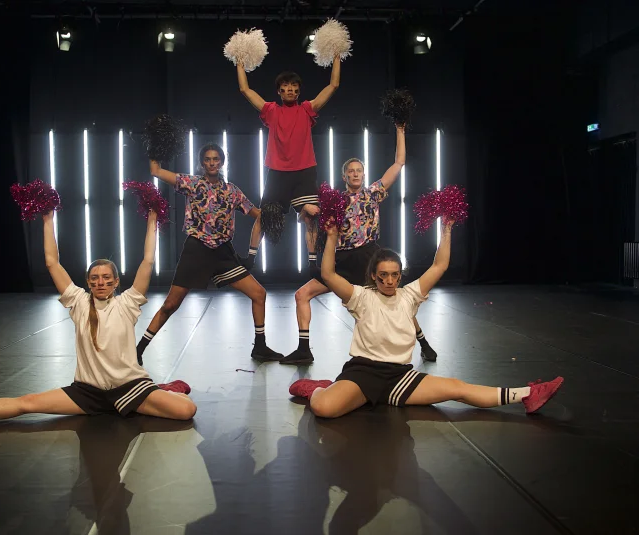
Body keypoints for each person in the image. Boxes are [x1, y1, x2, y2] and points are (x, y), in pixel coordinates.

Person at [0, 210, 197, 429]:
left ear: (115, 282)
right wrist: (48, 218)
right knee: (27, 403)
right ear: (88, 282)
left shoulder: (128, 304)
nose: (100, 282)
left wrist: (152, 219)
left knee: (187, 411)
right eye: (95, 278)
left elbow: (147, 261)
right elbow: (52, 262)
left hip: (130, 386)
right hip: (89, 392)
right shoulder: (78, 302)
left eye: (106, 278)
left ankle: (161, 390)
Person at [288, 219, 564, 417]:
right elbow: (328, 275)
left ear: (399, 275)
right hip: (363, 372)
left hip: (398, 376)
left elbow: (440, 265)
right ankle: (320, 388)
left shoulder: (409, 295)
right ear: (374, 275)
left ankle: (528, 395)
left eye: (394, 274)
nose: (389, 280)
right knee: (324, 409)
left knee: (457, 388)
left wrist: (446, 227)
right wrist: (333, 236)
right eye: (383, 275)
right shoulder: (361, 297)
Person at [281, 124, 437, 365]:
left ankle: (423, 342)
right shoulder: (333, 200)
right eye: (351, 172)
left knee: (394, 301)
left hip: (367, 258)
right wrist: (305, 210)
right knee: (302, 295)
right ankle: (304, 350)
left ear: (364, 175)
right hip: (340, 260)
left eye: (359, 171)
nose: (355, 174)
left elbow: (398, 164)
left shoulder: (373, 193)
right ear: (344, 176)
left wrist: (400, 130)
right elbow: (306, 221)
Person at [136, 143, 283, 363]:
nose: (212, 163)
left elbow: (260, 216)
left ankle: (260, 347)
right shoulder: (192, 183)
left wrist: (252, 254)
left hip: (223, 252)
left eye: (216, 159)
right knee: (170, 304)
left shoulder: (232, 191)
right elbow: (156, 171)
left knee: (259, 294)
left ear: (222, 162)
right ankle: (138, 350)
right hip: (197, 249)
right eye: (207, 159)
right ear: (202, 163)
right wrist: (154, 145)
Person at [236, 56, 341, 274]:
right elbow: (245, 90)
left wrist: (338, 56)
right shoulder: (272, 110)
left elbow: (333, 85)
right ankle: (250, 259)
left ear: (299, 91)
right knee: (264, 216)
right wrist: (239, 61)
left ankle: (312, 264)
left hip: (304, 172)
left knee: (310, 217)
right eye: (286, 87)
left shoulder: (306, 109)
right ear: (280, 92)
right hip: (277, 173)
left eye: (294, 87)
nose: (290, 90)